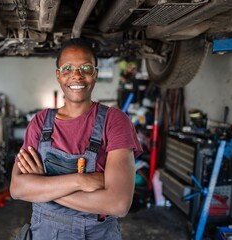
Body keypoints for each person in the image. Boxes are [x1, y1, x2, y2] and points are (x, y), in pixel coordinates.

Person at [10, 38, 143, 240]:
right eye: (67, 68)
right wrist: (82, 181)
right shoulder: (40, 122)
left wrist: (44, 186)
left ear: (95, 74)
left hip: (97, 234)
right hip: (44, 232)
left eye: (86, 68)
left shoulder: (115, 121)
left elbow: (118, 204)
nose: (77, 76)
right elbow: (17, 188)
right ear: (58, 75)